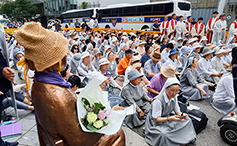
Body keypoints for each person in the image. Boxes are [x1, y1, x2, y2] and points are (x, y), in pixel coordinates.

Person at [15, 22, 125, 145]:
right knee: (118, 134)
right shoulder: (57, 94)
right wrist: (107, 117)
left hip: (60, 134)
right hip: (75, 140)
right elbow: (77, 139)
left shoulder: (39, 83)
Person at [145, 78, 196, 146]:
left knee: (188, 120)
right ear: (166, 88)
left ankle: (180, 139)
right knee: (164, 134)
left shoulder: (174, 97)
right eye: (172, 90)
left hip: (168, 118)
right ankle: (176, 140)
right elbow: (156, 119)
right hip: (155, 123)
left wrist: (183, 115)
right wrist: (170, 118)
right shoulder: (158, 101)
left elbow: (177, 112)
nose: (174, 93)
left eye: (177, 91)